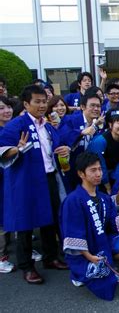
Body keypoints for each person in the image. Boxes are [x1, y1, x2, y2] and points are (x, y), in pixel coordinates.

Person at [0, 85, 70, 284]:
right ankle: (27, 266)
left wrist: (63, 150)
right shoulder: (16, 125)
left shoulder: (47, 125)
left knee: (50, 219)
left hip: (48, 178)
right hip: (25, 182)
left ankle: (51, 258)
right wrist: (17, 149)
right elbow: (2, 151)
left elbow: (56, 147)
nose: (42, 105)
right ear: (26, 104)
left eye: (43, 101)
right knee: (25, 223)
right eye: (37, 102)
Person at [60, 152, 119, 300]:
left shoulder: (102, 197)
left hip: (101, 242)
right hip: (85, 250)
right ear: (81, 173)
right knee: (99, 280)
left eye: (100, 169)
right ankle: (79, 272)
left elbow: (114, 223)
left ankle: (107, 264)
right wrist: (89, 256)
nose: (98, 174)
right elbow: (73, 233)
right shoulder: (73, 200)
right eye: (93, 170)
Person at [59, 91, 105, 190]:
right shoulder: (69, 119)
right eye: (92, 105)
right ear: (83, 107)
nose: (96, 109)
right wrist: (81, 132)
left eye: (98, 106)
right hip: (72, 169)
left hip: (90, 172)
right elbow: (63, 136)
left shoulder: (97, 124)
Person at [87, 109, 119, 194]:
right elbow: (99, 164)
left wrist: (116, 185)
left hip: (114, 175)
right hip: (97, 175)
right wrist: (107, 185)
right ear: (110, 125)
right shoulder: (99, 141)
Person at [0, 96, 14, 273]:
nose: (7, 111)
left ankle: (20, 249)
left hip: (12, 178)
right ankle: (1, 255)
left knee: (13, 212)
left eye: (9, 107)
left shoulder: (14, 128)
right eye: (2, 108)